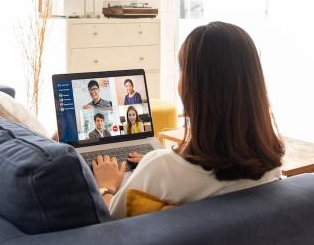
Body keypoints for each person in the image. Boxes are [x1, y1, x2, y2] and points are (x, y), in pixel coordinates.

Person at [91, 22, 285, 219]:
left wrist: (106, 186)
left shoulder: (159, 170)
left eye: (183, 70)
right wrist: (165, 159)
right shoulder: (271, 168)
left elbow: (110, 223)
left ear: (195, 88)